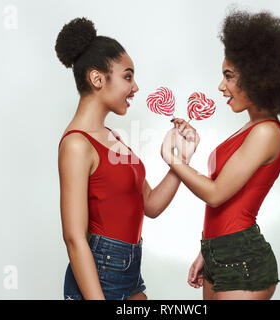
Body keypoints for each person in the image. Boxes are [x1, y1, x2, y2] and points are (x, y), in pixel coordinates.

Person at [161, 9, 280, 300]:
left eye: (229, 76)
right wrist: (206, 251)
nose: (221, 86)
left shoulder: (267, 133)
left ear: (258, 78)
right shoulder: (252, 128)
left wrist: (173, 160)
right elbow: (231, 203)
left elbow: (216, 194)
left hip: (243, 263)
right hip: (219, 255)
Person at [56, 18, 195, 300]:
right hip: (101, 273)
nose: (135, 88)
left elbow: (151, 205)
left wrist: (180, 161)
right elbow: (74, 238)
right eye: (128, 77)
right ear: (97, 79)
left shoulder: (113, 137)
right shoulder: (76, 145)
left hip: (129, 271)